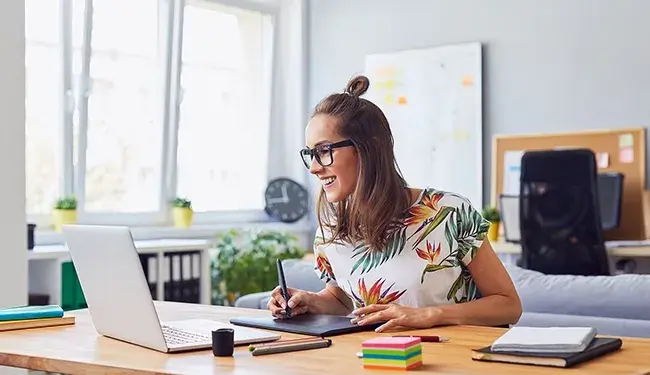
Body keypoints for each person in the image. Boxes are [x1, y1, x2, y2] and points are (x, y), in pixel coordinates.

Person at [268, 75, 522, 333]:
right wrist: (313, 301)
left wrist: (431, 315)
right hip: (373, 358)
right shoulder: (331, 228)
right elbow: (345, 300)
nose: (313, 168)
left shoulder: (449, 213)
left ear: (367, 149)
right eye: (310, 154)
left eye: (323, 151)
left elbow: (508, 305)